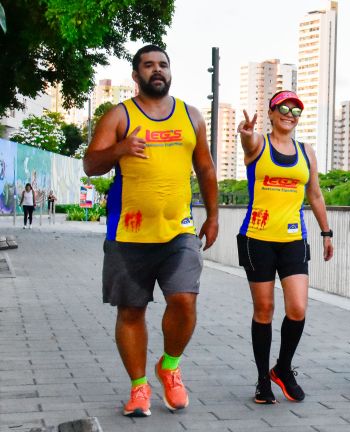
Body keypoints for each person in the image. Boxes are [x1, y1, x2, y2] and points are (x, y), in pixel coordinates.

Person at [83, 45, 218, 418]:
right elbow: (91, 163)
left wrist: (214, 215)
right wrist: (122, 147)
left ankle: (169, 366)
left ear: (170, 72)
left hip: (179, 231)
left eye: (162, 65)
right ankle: (139, 387)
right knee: (131, 311)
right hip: (128, 233)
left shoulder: (191, 116)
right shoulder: (119, 116)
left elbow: (205, 169)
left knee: (185, 300)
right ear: (136, 75)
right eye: (148, 65)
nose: (156, 70)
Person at [236, 90, 334, 404]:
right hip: (257, 237)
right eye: (284, 108)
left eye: (296, 110)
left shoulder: (306, 152)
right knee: (264, 310)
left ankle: (284, 368)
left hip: (293, 239)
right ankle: (263, 379)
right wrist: (247, 135)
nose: (290, 114)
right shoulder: (258, 145)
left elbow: (315, 195)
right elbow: (248, 145)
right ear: (271, 112)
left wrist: (326, 232)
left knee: (298, 308)